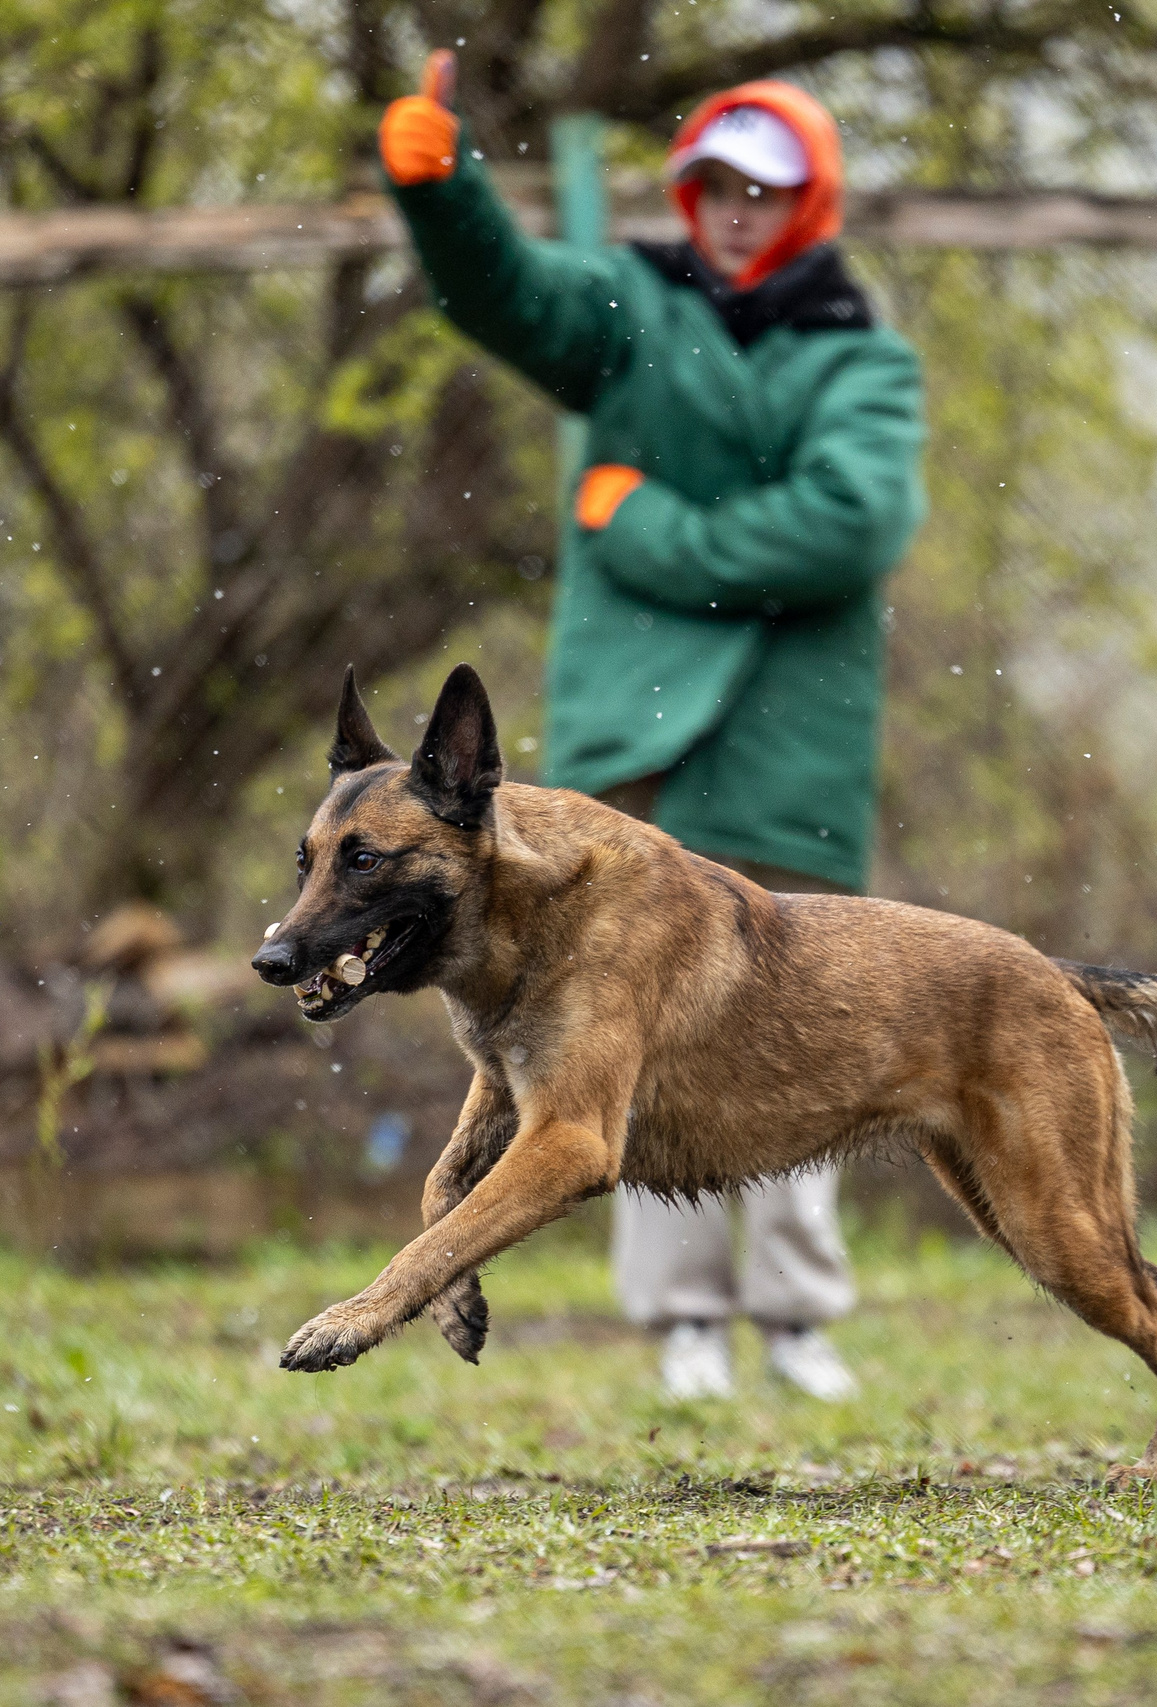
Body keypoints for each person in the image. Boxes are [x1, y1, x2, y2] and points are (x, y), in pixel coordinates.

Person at [379, 59, 927, 1400]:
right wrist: (439, 190)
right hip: (642, 736)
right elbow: (503, 296)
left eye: (767, 191)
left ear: (811, 206)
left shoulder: (860, 354)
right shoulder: (628, 309)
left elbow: (849, 524)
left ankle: (797, 1318)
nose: (737, 212)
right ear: (688, 193)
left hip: (790, 741)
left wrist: (647, 527)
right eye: (716, 186)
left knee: (816, 1028)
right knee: (610, 1036)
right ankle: (681, 1323)